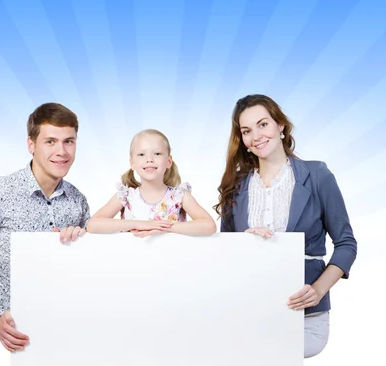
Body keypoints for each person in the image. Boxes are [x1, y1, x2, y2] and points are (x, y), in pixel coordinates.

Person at [214, 94, 357, 358]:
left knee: (266, 354)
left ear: (280, 125)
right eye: (246, 131)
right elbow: (225, 256)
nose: (256, 135)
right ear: (242, 140)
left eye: (262, 124)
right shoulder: (236, 187)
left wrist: (318, 289)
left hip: (304, 314)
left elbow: (346, 244)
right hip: (250, 309)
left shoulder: (317, 176)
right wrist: (244, 243)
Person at [0, 103, 90, 352]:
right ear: (31, 144)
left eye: (69, 141)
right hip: (18, 342)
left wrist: (84, 239)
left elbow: (93, 268)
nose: (61, 151)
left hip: (73, 333)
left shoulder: (78, 200)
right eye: (50, 141)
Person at [87, 129, 216, 236]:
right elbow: (93, 225)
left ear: (168, 161)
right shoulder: (126, 197)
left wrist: (164, 228)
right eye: (141, 154)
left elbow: (209, 226)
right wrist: (139, 224)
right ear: (132, 162)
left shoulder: (179, 196)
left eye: (157, 153)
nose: (149, 159)